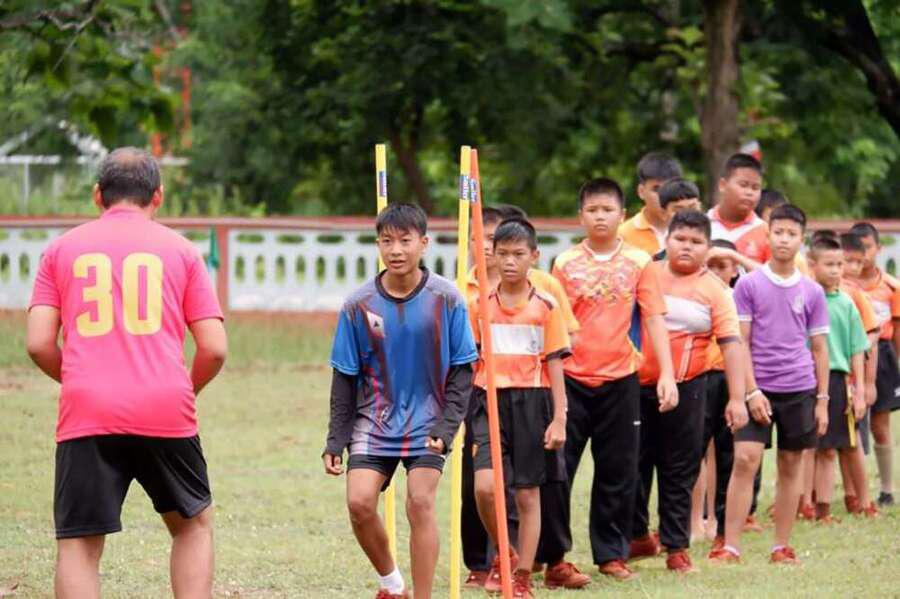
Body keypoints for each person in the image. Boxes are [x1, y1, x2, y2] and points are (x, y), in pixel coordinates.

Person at [26, 147, 227, 599]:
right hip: (165, 407)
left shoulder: (60, 250)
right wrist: (184, 388)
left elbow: (38, 343)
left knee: (79, 544)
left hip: (87, 411)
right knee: (192, 525)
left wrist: (80, 379)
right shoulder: (182, 252)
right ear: (158, 196)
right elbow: (214, 348)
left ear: (98, 195)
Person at [322, 203, 478, 599]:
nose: (396, 250)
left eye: (405, 241)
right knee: (359, 503)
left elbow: (464, 370)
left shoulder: (448, 298)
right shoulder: (357, 305)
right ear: (378, 244)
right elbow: (345, 377)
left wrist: (447, 426)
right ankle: (393, 584)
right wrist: (335, 440)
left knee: (420, 501)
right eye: (387, 241)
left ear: (423, 243)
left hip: (429, 420)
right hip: (373, 421)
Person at [544, 177, 678, 582]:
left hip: (622, 379)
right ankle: (553, 557)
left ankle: (611, 555)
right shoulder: (565, 263)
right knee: (558, 469)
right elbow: (553, 324)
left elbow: (653, 318)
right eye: (592, 210)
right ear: (580, 216)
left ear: (622, 215)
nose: (600, 217)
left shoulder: (640, 262)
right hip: (571, 379)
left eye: (607, 210)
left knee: (618, 470)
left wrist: (667, 374)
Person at [461, 206, 587, 591]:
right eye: (503, 254)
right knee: (485, 487)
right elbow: (469, 361)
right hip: (487, 402)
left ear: (534, 256)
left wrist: (560, 418)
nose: (510, 262)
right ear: (493, 256)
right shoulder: (479, 305)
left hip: (533, 403)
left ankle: (521, 576)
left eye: (518, 254)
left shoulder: (545, 307)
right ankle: (505, 553)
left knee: (528, 494)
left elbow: (555, 364)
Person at [709, 204, 830, 566]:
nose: (784, 239)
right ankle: (730, 545)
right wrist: (750, 391)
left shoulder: (812, 291)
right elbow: (740, 342)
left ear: (801, 240)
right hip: (757, 387)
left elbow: (820, 348)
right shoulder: (749, 284)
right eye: (778, 232)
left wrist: (822, 400)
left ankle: (781, 545)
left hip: (799, 388)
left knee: (791, 464)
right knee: (745, 459)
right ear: (768, 235)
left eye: (792, 234)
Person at [628, 211, 747, 573]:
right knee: (631, 464)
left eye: (696, 242)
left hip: (690, 389)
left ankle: (676, 546)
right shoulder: (645, 275)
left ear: (707, 249)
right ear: (667, 240)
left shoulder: (716, 290)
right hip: (634, 386)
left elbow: (731, 344)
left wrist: (737, 398)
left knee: (679, 468)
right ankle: (635, 537)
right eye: (680, 239)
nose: (687, 247)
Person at [806, 236, 870, 523]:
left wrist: (859, 389)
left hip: (837, 380)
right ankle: (812, 505)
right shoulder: (805, 299)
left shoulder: (846, 303)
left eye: (839, 265)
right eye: (829, 264)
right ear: (813, 265)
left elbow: (857, 349)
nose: (835, 270)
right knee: (814, 446)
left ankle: (849, 503)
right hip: (805, 378)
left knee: (837, 446)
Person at [848, 222, 900, 507]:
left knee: (880, 424)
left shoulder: (892, 286)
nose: (863, 254)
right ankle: (854, 490)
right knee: (849, 424)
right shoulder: (843, 285)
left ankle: (887, 489)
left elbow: (897, 331)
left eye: (867, 247)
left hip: (882, 357)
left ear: (878, 248)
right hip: (848, 356)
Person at [838, 232, 881, 516]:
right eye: (846, 261)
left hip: (849, 379)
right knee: (818, 445)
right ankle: (812, 499)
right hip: (818, 378)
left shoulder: (855, 294)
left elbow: (871, 335)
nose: (851, 268)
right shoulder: (814, 289)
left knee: (850, 441)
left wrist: (866, 383)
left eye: (857, 262)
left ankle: (860, 498)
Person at [707, 153, 769, 271]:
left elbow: (774, 277)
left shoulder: (767, 232)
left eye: (755, 187)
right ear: (722, 185)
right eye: (743, 185)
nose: (749, 192)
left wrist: (735, 257)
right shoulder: (702, 225)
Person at [620, 152, 683, 256]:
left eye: (670, 187)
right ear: (641, 191)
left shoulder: (691, 231)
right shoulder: (622, 235)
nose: (664, 195)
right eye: (656, 189)